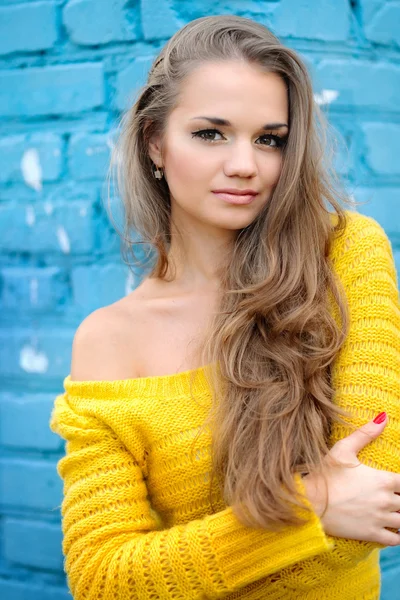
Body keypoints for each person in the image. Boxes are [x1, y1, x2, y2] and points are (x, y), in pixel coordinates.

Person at [50, 14, 400, 600]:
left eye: (270, 139)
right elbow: (103, 579)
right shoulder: (108, 338)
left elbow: (374, 506)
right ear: (154, 142)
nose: (245, 164)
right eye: (211, 133)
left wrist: (208, 559)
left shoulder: (344, 255)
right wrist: (312, 504)